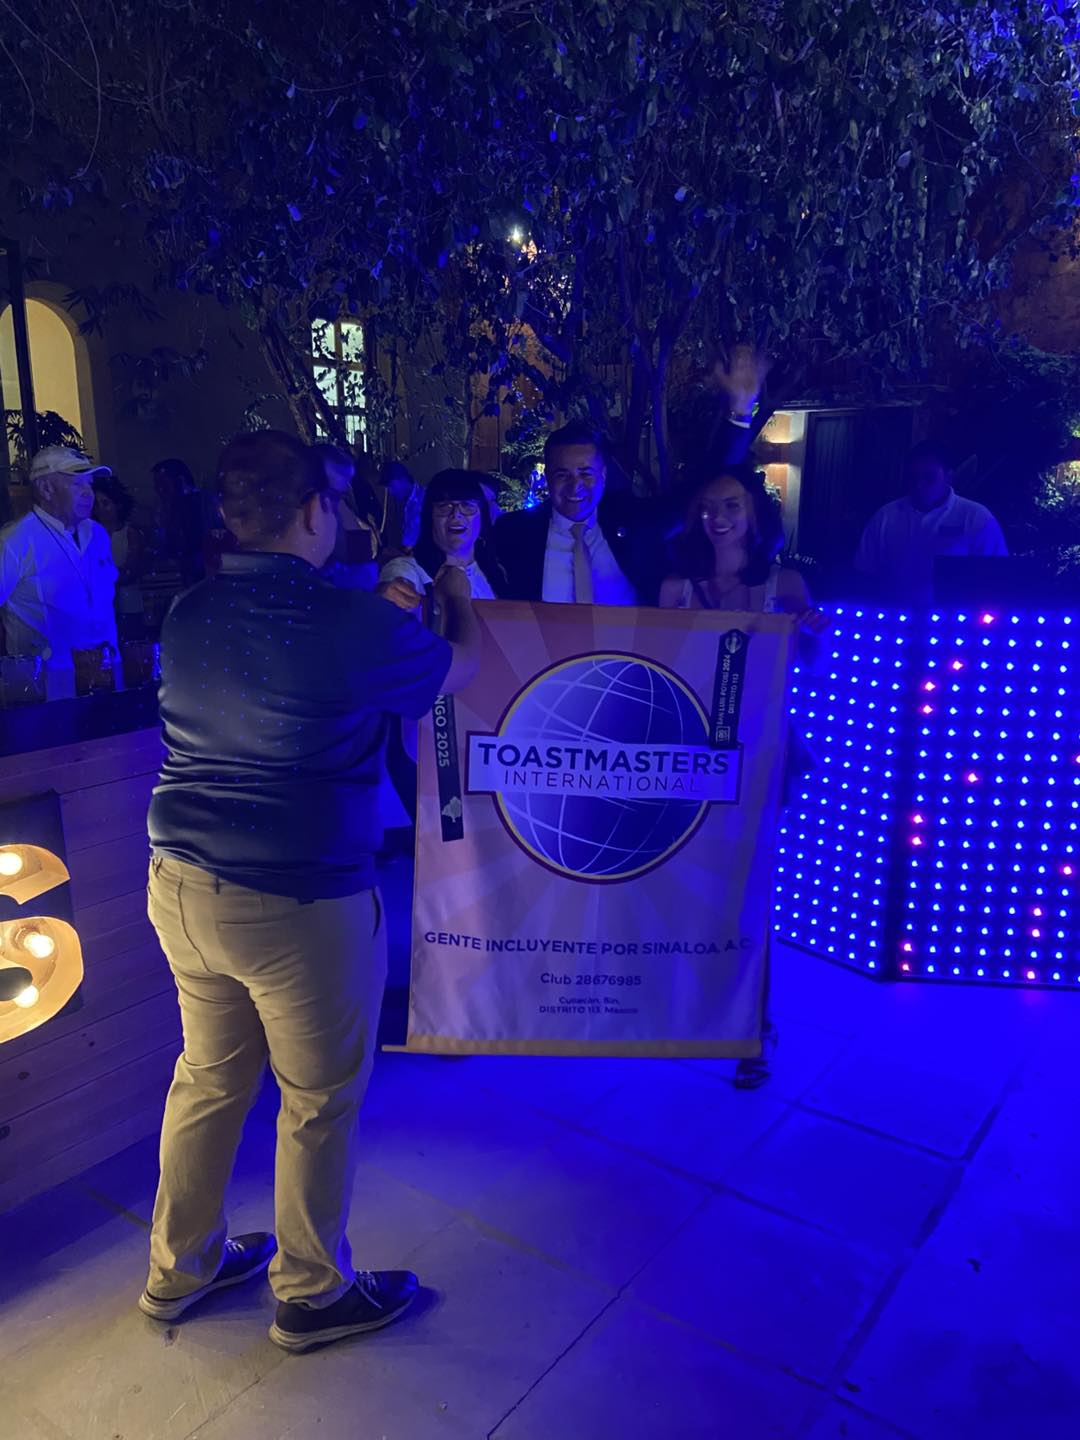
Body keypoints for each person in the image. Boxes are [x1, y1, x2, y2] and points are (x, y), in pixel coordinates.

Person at [141, 430, 480, 1352]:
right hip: (300, 902)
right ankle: (313, 1291)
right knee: (319, 1097)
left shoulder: (190, 611)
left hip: (179, 883)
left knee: (208, 1077)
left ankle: (179, 1267)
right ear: (312, 510)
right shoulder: (349, 623)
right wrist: (448, 596)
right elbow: (459, 672)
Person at [660, 463, 829, 1089]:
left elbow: (810, 665)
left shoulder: (785, 583)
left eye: (731, 505)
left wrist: (812, 634)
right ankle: (694, 1009)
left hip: (762, 760)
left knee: (748, 894)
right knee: (691, 888)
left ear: (755, 514)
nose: (719, 517)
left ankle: (755, 1028)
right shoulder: (676, 588)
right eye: (708, 506)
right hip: (693, 760)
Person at [493, 347, 767, 605]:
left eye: (585, 473)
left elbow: (705, 486)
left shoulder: (636, 522)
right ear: (548, 477)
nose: (575, 486)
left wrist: (740, 412)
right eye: (563, 474)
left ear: (602, 474)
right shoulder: (516, 534)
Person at [0, 445, 118, 698]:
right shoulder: (14, 540)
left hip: (107, 679)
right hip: (46, 688)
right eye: (77, 484)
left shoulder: (97, 534)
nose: (88, 493)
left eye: (89, 484)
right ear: (46, 489)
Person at [855, 441, 1008, 606]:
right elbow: (864, 571)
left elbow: (996, 576)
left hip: (954, 619)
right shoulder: (885, 516)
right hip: (893, 616)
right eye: (913, 478)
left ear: (949, 477)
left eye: (929, 478)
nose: (919, 485)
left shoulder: (976, 517)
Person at [378, 469, 506, 604]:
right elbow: (395, 588)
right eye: (444, 506)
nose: (456, 514)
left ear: (482, 516)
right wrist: (388, 595)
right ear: (430, 517)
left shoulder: (495, 571)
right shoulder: (409, 569)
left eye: (467, 505)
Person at [312, 441, 381, 590]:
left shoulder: (343, 507)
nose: (334, 503)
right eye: (332, 494)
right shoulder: (300, 524)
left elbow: (363, 568)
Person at [93, 473, 146, 633]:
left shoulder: (131, 534)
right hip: (99, 607)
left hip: (129, 606)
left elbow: (131, 571)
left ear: (118, 505)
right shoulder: (89, 536)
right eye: (96, 504)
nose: (101, 509)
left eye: (106, 503)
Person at [149, 457, 207, 587]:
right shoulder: (168, 508)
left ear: (180, 480)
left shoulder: (202, 504)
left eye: (162, 483)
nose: (158, 489)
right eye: (156, 484)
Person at [375, 459, 423, 553]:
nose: (391, 491)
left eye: (391, 486)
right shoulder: (405, 503)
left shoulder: (424, 499)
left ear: (403, 480)